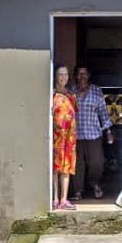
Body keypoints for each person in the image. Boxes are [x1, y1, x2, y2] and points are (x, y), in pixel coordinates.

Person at [69, 65, 114, 200]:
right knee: (77, 164)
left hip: (94, 134)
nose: (82, 76)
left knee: (97, 162)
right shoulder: (71, 91)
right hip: (75, 135)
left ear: (88, 76)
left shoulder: (96, 91)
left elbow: (103, 113)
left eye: (85, 74)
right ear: (75, 76)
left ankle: (95, 184)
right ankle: (77, 191)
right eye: (79, 74)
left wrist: (109, 131)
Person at [51, 64, 77, 210]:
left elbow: (74, 114)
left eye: (66, 74)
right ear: (56, 76)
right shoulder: (52, 95)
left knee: (67, 168)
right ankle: (55, 198)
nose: (63, 77)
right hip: (56, 137)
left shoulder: (71, 95)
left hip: (70, 138)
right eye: (61, 74)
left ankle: (63, 199)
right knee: (56, 168)